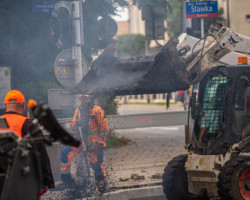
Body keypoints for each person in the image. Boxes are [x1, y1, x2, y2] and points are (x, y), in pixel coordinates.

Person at [1, 90, 55, 196]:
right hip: (23, 180)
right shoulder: (29, 124)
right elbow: (41, 153)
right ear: (23, 105)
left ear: (5, 104)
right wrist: (46, 181)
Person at [60, 94, 109, 194]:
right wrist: (75, 125)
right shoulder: (78, 110)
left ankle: (101, 187)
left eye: (85, 98)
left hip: (94, 144)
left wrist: (100, 144)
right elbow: (73, 125)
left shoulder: (97, 110)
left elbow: (104, 129)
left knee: (97, 166)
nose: (83, 100)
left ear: (90, 98)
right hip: (80, 141)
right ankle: (67, 181)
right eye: (81, 98)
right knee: (65, 152)